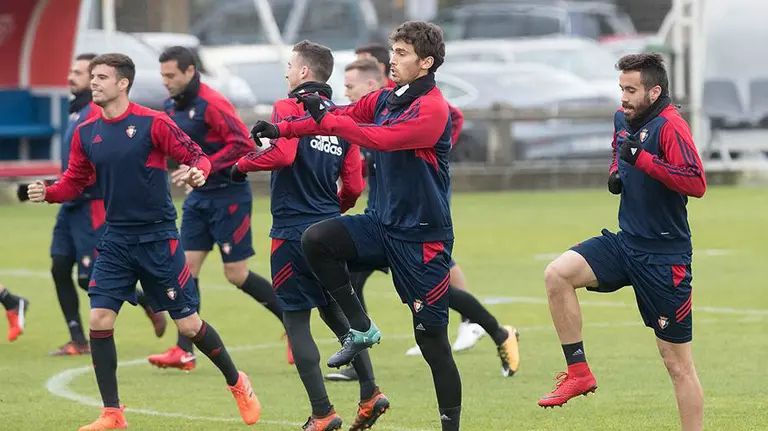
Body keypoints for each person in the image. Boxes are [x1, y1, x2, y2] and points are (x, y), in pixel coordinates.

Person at [26, 53, 260, 430]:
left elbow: (197, 156)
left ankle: (237, 381)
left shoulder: (154, 123)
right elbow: (75, 180)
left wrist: (199, 173)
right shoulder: (87, 132)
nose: (94, 82)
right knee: (100, 318)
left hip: (158, 240)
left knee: (188, 326)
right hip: (116, 239)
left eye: (102, 77)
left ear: (123, 84)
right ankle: (112, 413)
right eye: (93, 77)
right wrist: (49, 192)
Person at [251, 21, 463, 430]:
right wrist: (282, 129)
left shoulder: (433, 108)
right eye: (394, 51)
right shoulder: (385, 97)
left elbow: (378, 138)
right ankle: (361, 327)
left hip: (421, 237)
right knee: (319, 238)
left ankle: (450, 425)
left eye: (401, 54)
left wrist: (328, 118)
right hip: (380, 223)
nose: (392, 60)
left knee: (432, 342)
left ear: (427, 62)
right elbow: (342, 115)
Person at [325, 58, 519, 384]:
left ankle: (499, 332)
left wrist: (428, 159)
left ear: (372, 85)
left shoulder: (408, 103)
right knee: (349, 281)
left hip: (414, 221)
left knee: (440, 294)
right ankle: (360, 366)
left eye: (349, 87)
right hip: (379, 217)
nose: (345, 93)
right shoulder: (376, 108)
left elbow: (452, 118)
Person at [538, 53, 705, 431]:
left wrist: (643, 161)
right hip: (626, 244)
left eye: (631, 90)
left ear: (654, 91)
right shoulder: (624, 118)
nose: (624, 98)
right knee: (557, 275)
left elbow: (696, 183)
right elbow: (621, 147)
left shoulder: (672, 127)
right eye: (621, 89)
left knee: (677, 363)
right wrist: (617, 170)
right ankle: (578, 371)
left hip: (665, 258)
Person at [231, 40, 389, 431]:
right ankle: (370, 393)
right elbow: (353, 183)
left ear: (303, 72)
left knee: (296, 320)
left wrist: (241, 165)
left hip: (289, 232)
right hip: (327, 233)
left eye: (289, 65)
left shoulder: (288, 108)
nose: (286, 72)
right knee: (337, 313)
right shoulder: (341, 117)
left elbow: (282, 156)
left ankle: (322, 413)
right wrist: (331, 212)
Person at [147, 45, 291, 370]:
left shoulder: (212, 103)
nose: (165, 81)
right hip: (199, 198)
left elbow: (242, 142)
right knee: (185, 270)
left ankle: (292, 325)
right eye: (162, 75)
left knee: (236, 275)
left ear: (189, 71)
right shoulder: (171, 105)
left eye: (171, 75)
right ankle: (184, 351)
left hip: (228, 196)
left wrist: (204, 166)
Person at [16, 53, 166, 356]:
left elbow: (95, 167)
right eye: (76, 72)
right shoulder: (75, 113)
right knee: (60, 268)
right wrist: (50, 187)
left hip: (91, 206)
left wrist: (58, 187)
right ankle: (78, 339)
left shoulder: (96, 115)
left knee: (89, 277)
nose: (74, 77)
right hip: (69, 207)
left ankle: (145, 299)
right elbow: (72, 167)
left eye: (84, 73)